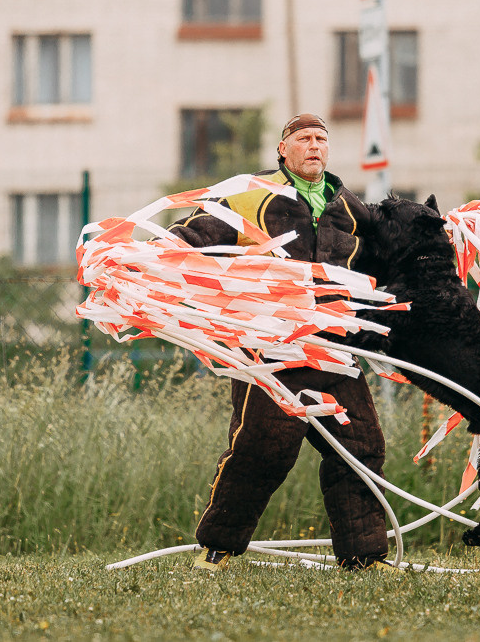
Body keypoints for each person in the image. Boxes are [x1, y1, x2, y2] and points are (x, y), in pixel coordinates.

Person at [169, 112, 396, 572]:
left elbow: (390, 252)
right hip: (269, 348)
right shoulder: (251, 194)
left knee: (362, 445)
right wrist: (146, 256)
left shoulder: (350, 206)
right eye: (304, 138)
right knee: (263, 445)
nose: (314, 146)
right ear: (283, 149)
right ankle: (219, 550)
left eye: (322, 139)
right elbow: (194, 233)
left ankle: (363, 557)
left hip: (333, 347)